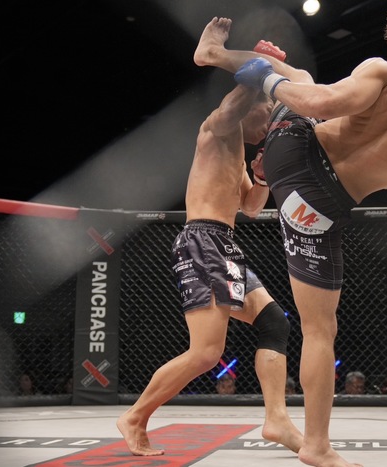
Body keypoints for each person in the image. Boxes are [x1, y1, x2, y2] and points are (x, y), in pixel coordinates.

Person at [194, 3, 387, 465]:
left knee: (301, 79)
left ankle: (217, 56)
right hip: (321, 205)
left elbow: (321, 104)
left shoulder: (385, 72)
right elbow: (384, 171)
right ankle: (316, 445)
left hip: (293, 155)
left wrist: (266, 78)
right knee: (320, 330)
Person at [116, 53, 303, 456]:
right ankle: (134, 417)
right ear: (251, 104)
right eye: (268, 109)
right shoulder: (218, 130)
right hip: (203, 240)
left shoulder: (238, 155)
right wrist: (257, 74)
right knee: (205, 353)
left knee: (274, 322)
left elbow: (250, 208)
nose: (270, 122)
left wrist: (262, 178)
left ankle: (277, 420)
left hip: (225, 245)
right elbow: (229, 110)